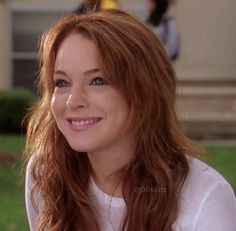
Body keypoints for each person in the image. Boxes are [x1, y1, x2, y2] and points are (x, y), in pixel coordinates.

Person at [24, 9, 236, 231]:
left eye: (97, 81)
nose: (72, 101)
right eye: (62, 82)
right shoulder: (46, 174)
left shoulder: (205, 200)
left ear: (144, 90)